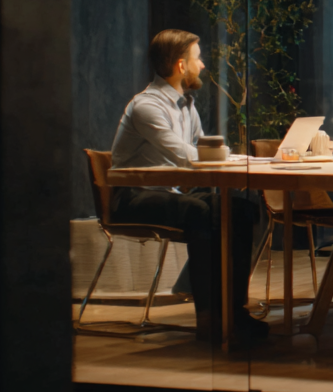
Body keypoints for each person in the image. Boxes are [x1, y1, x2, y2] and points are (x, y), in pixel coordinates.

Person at [110, 29, 268, 344]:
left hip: (171, 192)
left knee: (241, 209)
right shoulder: (147, 106)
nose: (203, 65)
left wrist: (237, 161)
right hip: (132, 197)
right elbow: (187, 157)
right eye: (198, 58)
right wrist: (238, 161)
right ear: (182, 65)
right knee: (199, 211)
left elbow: (203, 154)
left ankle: (233, 313)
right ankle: (208, 318)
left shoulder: (186, 105)